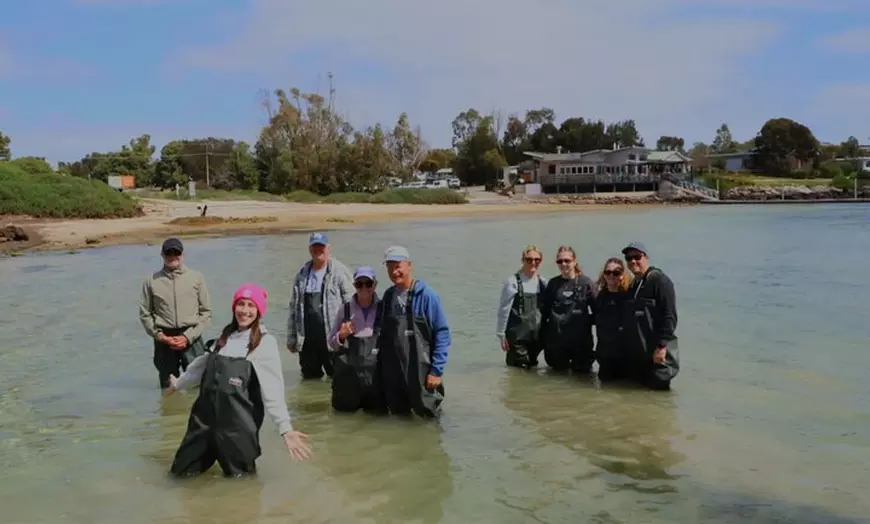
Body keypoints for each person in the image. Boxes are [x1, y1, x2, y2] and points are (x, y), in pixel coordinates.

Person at [165, 283, 312, 477]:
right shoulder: (224, 337)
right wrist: (178, 384)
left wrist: (286, 430)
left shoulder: (265, 344)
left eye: (251, 305)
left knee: (243, 488)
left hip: (237, 431)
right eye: (241, 304)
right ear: (234, 307)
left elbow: (273, 390)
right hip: (203, 425)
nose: (245, 310)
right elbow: (200, 366)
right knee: (178, 477)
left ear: (259, 311)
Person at [377, 245, 451, 418]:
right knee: (399, 419)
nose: (394, 272)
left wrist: (436, 371)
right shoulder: (388, 297)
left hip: (423, 374)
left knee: (429, 421)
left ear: (409, 265)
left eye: (398, 266)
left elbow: (442, 333)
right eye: (390, 267)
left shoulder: (426, 295)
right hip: (396, 374)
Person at [138, 237, 212, 391]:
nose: (172, 256)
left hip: (192, 338)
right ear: (162, 255)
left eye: (176, 252)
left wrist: (187, 337)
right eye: (168, 253)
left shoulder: (196, 278)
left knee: (197, 386)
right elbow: (145, 314)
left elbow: (205, 313)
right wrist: (160, 336)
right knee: (167, 388)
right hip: (164, 340)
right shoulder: (151, 281)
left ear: (183, 254)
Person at [286, 232, 354, 380]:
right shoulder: (302, 274)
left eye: (321, 246)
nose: (318, 250)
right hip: (307, 340)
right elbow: (293, 308)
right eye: (314, 246)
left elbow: (351, 303)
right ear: (309, 249)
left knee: (339, 379)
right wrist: (291, 337)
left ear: (328, 248)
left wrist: (347, 333)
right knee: (309, 380)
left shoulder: (339, 271)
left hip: (332, 338)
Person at [621, 242, 680, 390]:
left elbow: (670, 316)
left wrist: (662, 346)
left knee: (659, 402)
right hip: (639, 355)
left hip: (658, 354)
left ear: (646, 257)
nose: (633, 261)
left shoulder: (660, 281)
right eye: (629, 258)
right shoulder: (634, 284)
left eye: (637, 256)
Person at [328, 266, 385, 414]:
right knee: (344, 424)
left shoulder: (384, 308)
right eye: (359, 284)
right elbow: (331, 343)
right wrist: (341, 335)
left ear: (375, 285)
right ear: (354, 285)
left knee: (377, 424)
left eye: (368, 283)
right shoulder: (344, 309)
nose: (364, 287)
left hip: (376, 382)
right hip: (348, 382)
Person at [539, 246, 597, 373]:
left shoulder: (586, 283)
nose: (563, 264)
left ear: (574, 261)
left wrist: (586, 321)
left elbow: (598, 312)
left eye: (567, 260)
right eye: (560, 261)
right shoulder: (553, 284)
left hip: (581, 343)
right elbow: (544, 313)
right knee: (557, 382)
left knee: (582, 381)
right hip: (557, 343)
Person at [496, 245, 547, 369]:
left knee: (533, 371)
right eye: (529, 259)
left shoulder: (544, 282)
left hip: (536, 337)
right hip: (517, 337)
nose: (533, 263)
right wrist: (501, 334)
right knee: (517, 371)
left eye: (537, 260)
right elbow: (504, 310)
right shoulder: (512, 282)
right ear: (523, 260)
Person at [594, 257, 634, 381]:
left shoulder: (628, 296)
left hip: (625, 356)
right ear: (604, 274)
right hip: (604, 355)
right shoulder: (601, 296)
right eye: (608, 272)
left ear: (622, 275)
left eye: (616, 273)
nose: (611, 275)